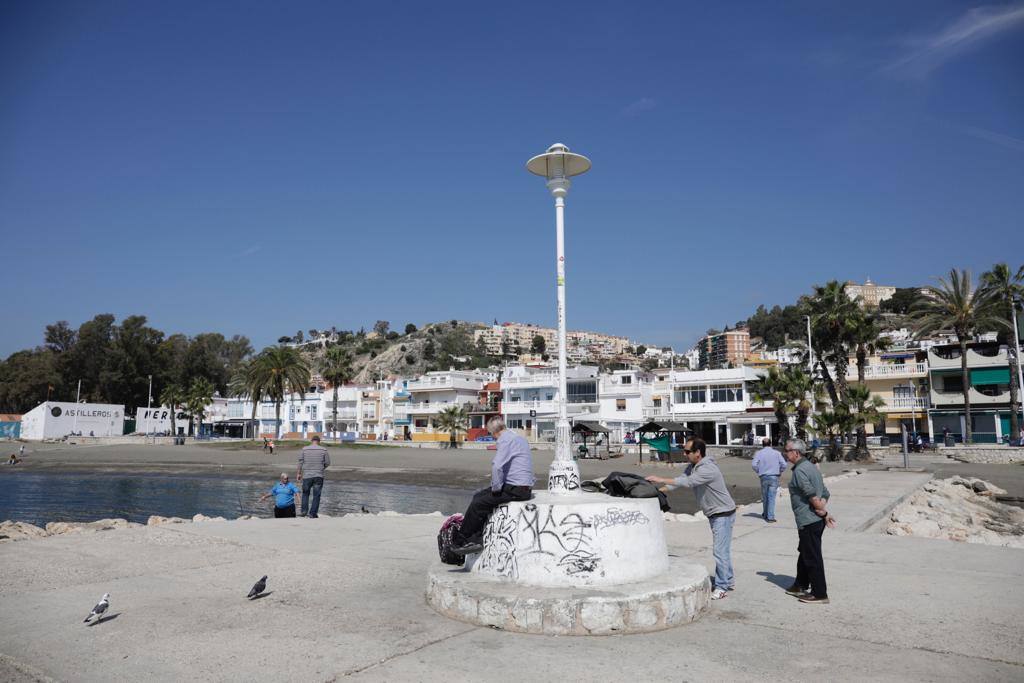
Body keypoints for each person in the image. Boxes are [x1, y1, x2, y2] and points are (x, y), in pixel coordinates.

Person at [646, 438, 736, 600]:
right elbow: (679, 481)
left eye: (688, 451)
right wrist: (657, 491)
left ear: (698, 453)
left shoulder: (708, 469)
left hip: (722, 513)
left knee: (720, 551)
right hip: (717, 512)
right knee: (723, 550)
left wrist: (661, 479)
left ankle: (722, 587)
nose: (684, 454)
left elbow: (689, 482)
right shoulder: (693, 467)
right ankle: (728, 580)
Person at [451, 416, 534, 555]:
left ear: (493, 432)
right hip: (524, 487)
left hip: (516, 489)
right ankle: (475, 538)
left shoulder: (505, 440)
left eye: (490, 433)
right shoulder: (518, 437)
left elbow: (497, 466)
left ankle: (462, 541)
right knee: (479, 496)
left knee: (478, 503)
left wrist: (495, 488)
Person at [783, 438, 835, 605]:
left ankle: (820, 593)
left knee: (812, 557)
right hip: (815, 519)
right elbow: (825, 492)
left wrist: (822, 509)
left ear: (796, 453)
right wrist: (823, 510)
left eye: (787, 450)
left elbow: (811, 494)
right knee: (805, 552)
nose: (785, 453)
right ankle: (800, 584)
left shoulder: (800, 471)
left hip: (809, 520)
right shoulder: (811, 467)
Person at [751, 437, 787, 522]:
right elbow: (784, 464)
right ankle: (770, 517)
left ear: (762, 444)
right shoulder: (777, 453)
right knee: (771, 496)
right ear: (770, 444)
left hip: (763, 476)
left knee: (765, 496)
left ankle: (765, 513)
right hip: (774, 476)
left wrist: (759, 471)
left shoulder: (759, 453)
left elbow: (753, 465)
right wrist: (780, 471)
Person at [296, 435, 330, 518]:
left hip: (307, 475)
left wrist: (299, 473)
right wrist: (322, 468)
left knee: (305, 494)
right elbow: (328, 463)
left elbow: (300, 462)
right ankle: (312, 513)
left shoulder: (304, 449)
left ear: (311, 441)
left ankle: (304, 512)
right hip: (319, 475)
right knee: (316, 495)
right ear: (319, 441)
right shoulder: (324, 450)